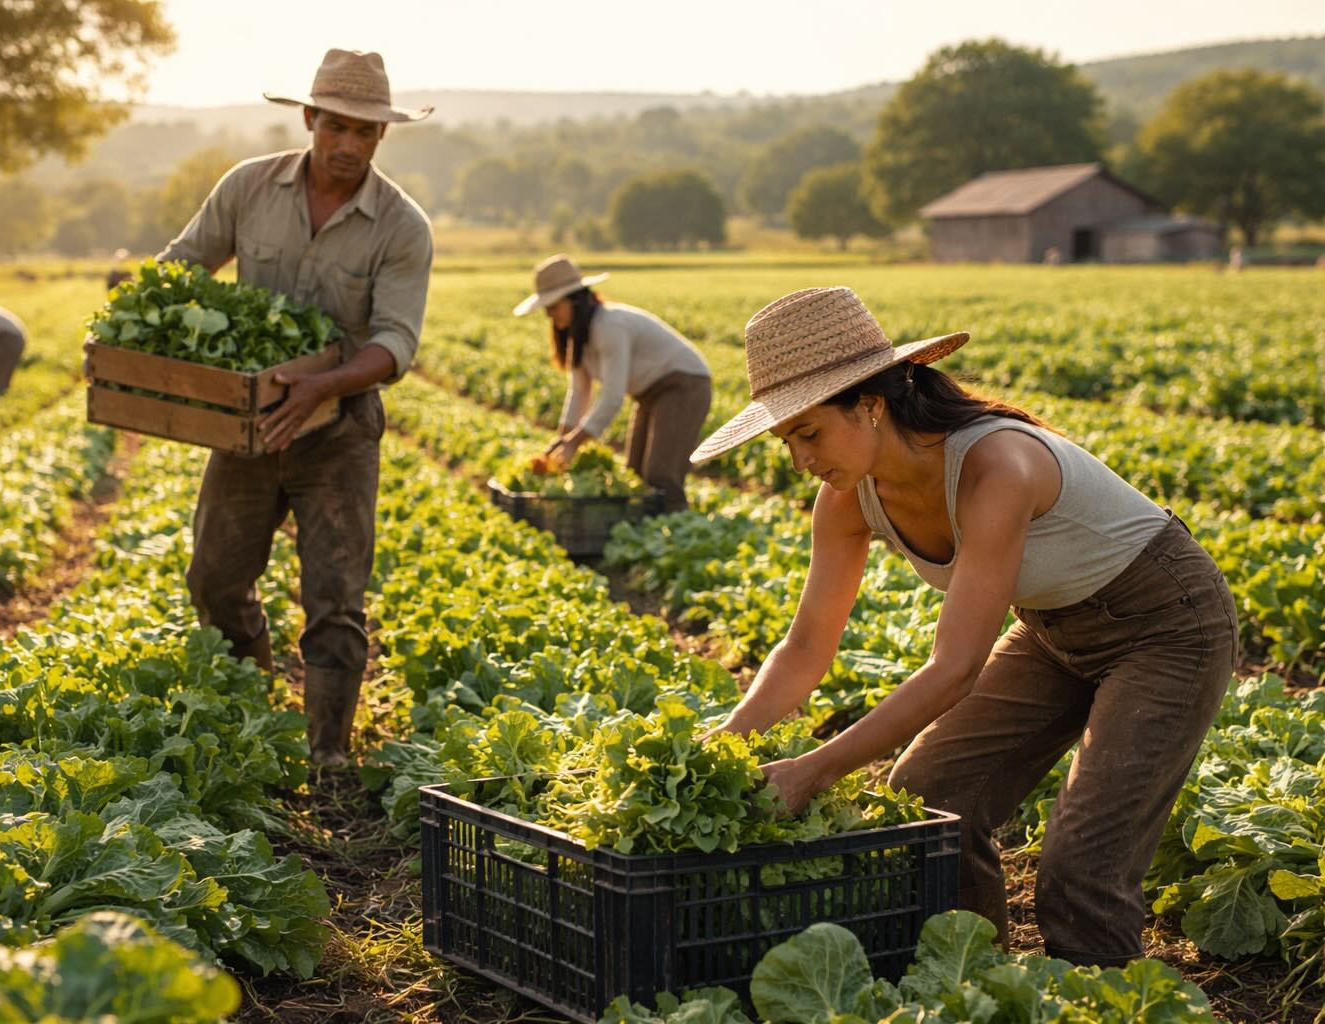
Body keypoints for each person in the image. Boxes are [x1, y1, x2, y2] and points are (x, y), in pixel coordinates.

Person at [693, 287, 1237, 967]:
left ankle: (1110, 1002)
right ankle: (979, 985)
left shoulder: (996, 465)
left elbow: (954, 667)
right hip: (1052, 629)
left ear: (869, 405)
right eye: (786, 441)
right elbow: (806, 647)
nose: (800, 459)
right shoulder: (845, 500)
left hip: (1167, 626)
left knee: (1080, 871)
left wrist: (814, 770)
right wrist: (725, 742)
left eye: (809, 433)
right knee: (930, 801)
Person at [152, 48, 434, 767]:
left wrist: (323, 384)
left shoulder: (402, 227)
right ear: (310, 119)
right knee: (214, 578)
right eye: (335, 126)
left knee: (336, 599)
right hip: (249, 426)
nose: (347, 145)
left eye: (365, 133)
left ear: (381, 138)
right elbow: (183, 265)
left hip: (338, 431)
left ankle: (328, 755)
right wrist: (162, 323)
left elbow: (396, 342)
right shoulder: (249, 188)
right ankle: (254, 708)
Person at [513, 254, 712, 512]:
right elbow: (579, 392)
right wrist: (561, 441)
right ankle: (650, 533)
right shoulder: (578, 337)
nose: (550, 316)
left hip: (685, 385)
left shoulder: (609, 325)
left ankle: (679, 535)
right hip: (649, 394)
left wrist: (575, 441)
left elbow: (612, 396)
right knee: (635, 475)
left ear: (575, 299)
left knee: (661, 476)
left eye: (553, 307)